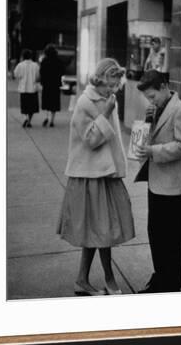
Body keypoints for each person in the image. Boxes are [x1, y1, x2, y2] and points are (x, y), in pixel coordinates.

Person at [57, 58, 135, 296]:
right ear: (100, 78)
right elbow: (90, 140)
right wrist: (107, 113)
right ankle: (109, 280)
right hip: (89, 176)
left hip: (106, 174)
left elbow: (112, 141)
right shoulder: (85, 102)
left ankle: (82, 280)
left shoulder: (107, 99)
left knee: (99, 231)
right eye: (110, 82)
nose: (114, 88)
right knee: (102, 231)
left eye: (117, 83)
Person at [134, 70, 181, 293]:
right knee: (155, 233)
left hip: (173, 186)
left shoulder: (180, 110)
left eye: (152, 96)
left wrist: (153, 150)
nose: (151, 101)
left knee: (173, 239)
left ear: (164, 86)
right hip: (156, 183)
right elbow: (149, 138)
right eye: (148, 98)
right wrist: (148, 121)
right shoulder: (157, 109)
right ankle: (160, 275)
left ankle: (172, 282)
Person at [13, 49, 40, 128]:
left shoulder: (20, 65)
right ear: (31, 56)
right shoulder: (36, 65)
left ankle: (25, 118)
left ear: (23, 56)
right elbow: (38, 76)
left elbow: (16, 74)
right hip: (33, 89)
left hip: (23, 88)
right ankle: (29, 121)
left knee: (24, 106)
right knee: (32, 107)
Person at [40, 44, 63, 127]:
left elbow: (41, 72)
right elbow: (62, 71)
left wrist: (42, 82)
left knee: (47, 102)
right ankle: (52, 120)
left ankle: (46, 117)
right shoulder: (58, 61)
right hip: (55, 84)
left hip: (46, 84)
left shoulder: (44, 61)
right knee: (54, 103)